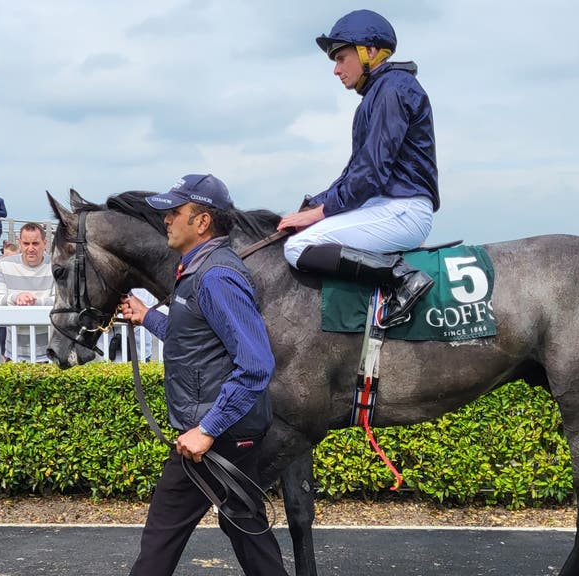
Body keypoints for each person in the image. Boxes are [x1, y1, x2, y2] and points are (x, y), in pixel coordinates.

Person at [119, 174, 287, 576]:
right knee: (246, 530)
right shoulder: (198, 270)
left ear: (202, 221)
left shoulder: (216, 276)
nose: (166, 220)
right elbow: (196, 336)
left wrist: (207, 429)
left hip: (213, 437)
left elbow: (256, 363)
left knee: (161, 535)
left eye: (175, 212)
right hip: (229, 433)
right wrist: (148, 318)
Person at [276, 9, 438, 327]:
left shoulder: (392, 90)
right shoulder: (379, 94)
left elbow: (371, 174)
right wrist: (314, 205)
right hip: (388, 206)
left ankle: (404, 278)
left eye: (341, 58)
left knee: (298, 247)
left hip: (402, 209)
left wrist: (319, 213)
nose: (336, 70)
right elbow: (355, 173)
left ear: (371, 52)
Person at [0, 223, 54, 362]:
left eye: (35, 243)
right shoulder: (4, 265)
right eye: (26, 243)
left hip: (49, 353)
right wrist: (16, 297)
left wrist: (34, 301)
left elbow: (62, 302)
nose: (30, 248)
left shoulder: (56, 266)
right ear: (20, 243)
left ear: (44, 243)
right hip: (13, 352)